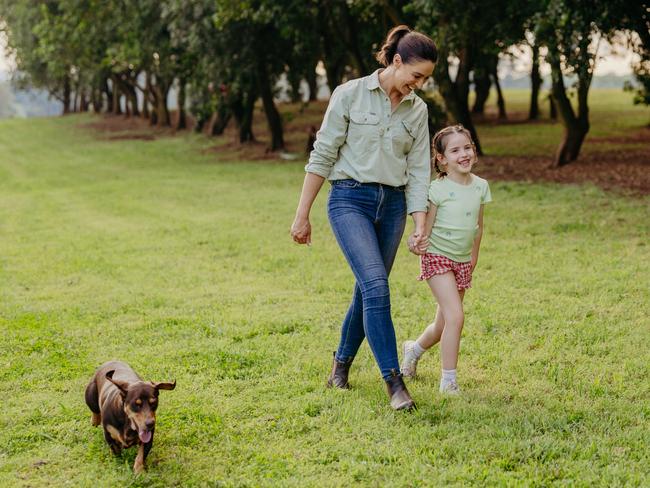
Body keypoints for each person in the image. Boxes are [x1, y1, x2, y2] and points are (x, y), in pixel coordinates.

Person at [290, 25, 437, 410]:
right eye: (415, 75)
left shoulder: (418, 111)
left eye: (425, 79)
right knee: (376, 286)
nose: (418, 85)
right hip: (349, 201)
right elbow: (322, 155)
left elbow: (419, 170)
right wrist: (302, 214)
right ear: (396, 61)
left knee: (366, 289)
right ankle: (394, 383)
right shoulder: (350, 94)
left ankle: (340, 365)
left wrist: (420, 221)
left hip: (391, 208)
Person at [401, 125, 492, 394]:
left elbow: (478, 226)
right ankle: (448, 381)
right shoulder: (437, 189)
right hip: (437, 259)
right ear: (441, 159)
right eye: (455, 150)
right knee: (456, 316)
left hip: (462, 262)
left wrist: (473, 257)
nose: (463, 154)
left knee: (443, 326)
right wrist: (416, 243)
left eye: (467, 147)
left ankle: (413, 350)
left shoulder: (481, 187)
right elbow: (424, 231)